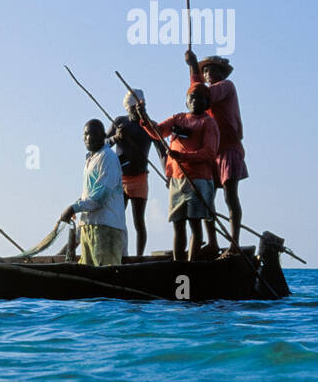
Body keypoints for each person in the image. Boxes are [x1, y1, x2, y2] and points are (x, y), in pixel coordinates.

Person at [144, 84, 219, 261]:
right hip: (177, 180)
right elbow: (158, 132)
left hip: (198, 180)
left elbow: (209, 152)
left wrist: (183, 156)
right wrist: (143, 117)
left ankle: (191, 264)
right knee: (178, 224)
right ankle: (178, 265)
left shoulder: (208, 123)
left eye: (199, 97)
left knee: (195, 224)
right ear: (186, 101)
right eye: (191, 97)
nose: (194, 100)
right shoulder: (178, 118)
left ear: (206, 102)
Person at [187, 50, 246, 257]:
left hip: (228, 148)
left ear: (221, 73)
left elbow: (204, 95)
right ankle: (212, 242)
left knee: (231, 197)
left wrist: (193, 68)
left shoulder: (225, 87)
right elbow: (198, 96)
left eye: (213, 69)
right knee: (207, 197)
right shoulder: (205, 93)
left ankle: (234, 243)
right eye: (206, 70)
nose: (209, 72)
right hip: (212, 152)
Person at [59, 119, 125, 266]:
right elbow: (88, 194)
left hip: (106, 227)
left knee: (106, 275)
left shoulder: (107, 157)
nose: (89, 138)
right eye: (86, 134)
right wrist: (77, 206)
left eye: (93, 134)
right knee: (87, 272)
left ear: (103, 135)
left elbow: (100, 195)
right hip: (88, 226)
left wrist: (73, 208)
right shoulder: (91, 159)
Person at [107, 89, 155, 257]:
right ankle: (119, 253)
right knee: (117, 218)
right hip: (120, 178)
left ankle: (139, 256)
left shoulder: (150, 126)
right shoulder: (120, 122)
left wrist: (169, 174)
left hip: (140, 178)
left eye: (140, 108)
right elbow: (102, 144)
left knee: (139, 221)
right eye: (132, 109)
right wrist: (115, 138)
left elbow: (163, 151)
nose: (136, 112)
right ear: (128, 109)